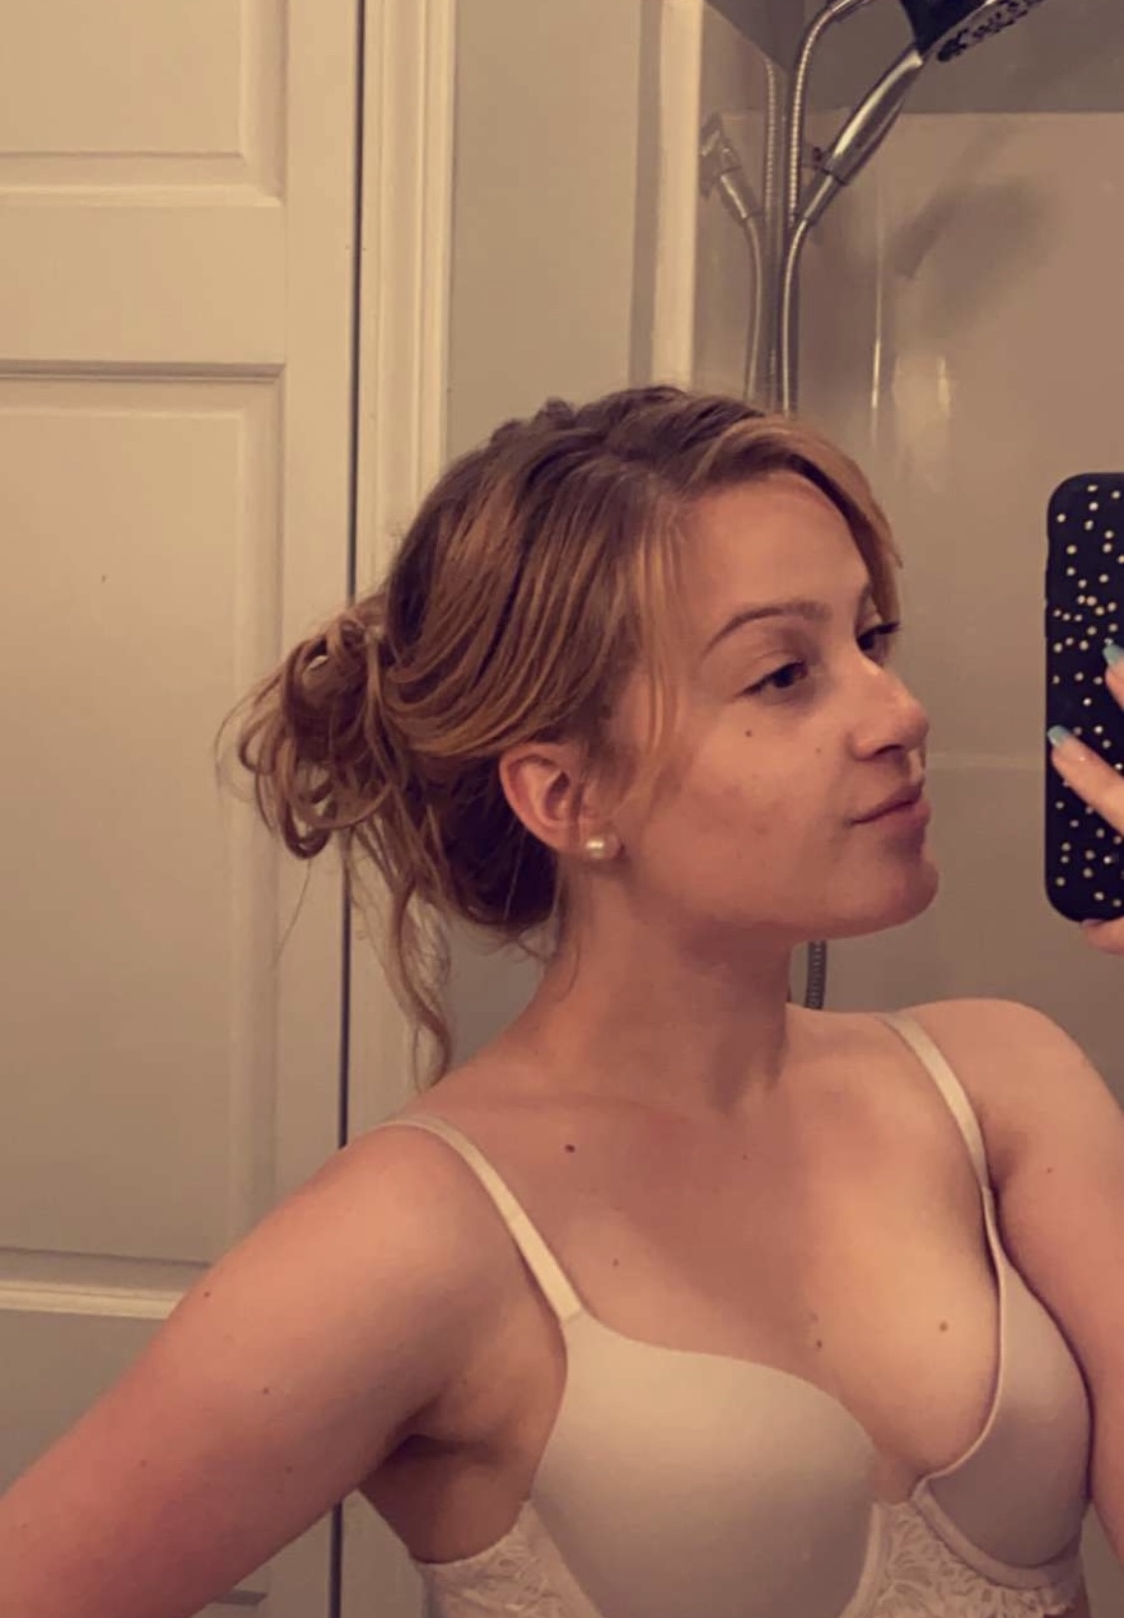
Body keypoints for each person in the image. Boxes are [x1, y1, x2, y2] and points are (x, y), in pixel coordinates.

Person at [2, 385, 1122, 1618]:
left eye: (872, 639)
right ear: (565, 795)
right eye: (782, 673)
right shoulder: (415, 1234)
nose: (897, 712)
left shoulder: (1000, 1088)